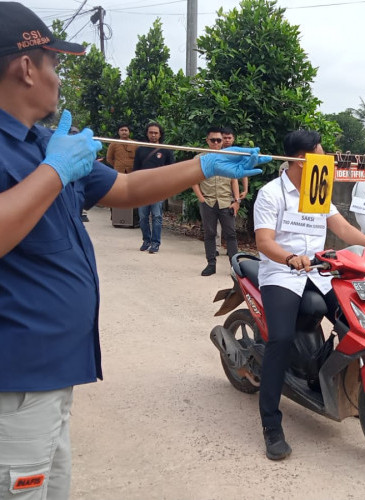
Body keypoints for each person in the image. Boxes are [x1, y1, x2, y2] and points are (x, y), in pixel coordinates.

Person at [0, 5, 268, 497]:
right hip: (14, 380)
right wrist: (54, 172)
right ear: (25, 67)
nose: (59, 79)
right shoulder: (35, 155)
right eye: (55, 65)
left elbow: (124, 189)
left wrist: (204, 164)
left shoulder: (43, 143)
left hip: (49, 377)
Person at [253, 130, 365, 461]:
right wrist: (289, 258)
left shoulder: (317, 189)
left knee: (355, 319)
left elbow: (342, 228)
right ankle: (271, 424)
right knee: (280, 339)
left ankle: (326, 377)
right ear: (302, 159)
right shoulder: (270, 194)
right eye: (320, 153)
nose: (326, 158)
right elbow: (264, 242)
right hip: (281, 273)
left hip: (319, 272)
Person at [192, 127, 240, 276]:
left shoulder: (230, 158)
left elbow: (234, 180)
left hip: (226, 201)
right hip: (208, 202)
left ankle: (235, 268)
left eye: (219, 140)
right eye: (213, 140)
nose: (216, 143)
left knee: (231, 234)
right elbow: (194, 180)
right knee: (210, 234)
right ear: (207, 141)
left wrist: (237, 200)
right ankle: (211, 264)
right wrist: (201, 198)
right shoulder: (200, 159)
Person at [132, 121, 175, 253]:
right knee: (143, 216)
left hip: (158, 188)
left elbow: (171, 169)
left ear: (160, 134)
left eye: (156, 133)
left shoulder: (166, 150)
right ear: (147, 133)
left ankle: (156, 243)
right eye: (151, 132)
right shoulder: (140, 149)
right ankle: (146, 240)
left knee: (157, 216)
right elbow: (136, 169)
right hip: (143, 188)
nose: (153, 135)